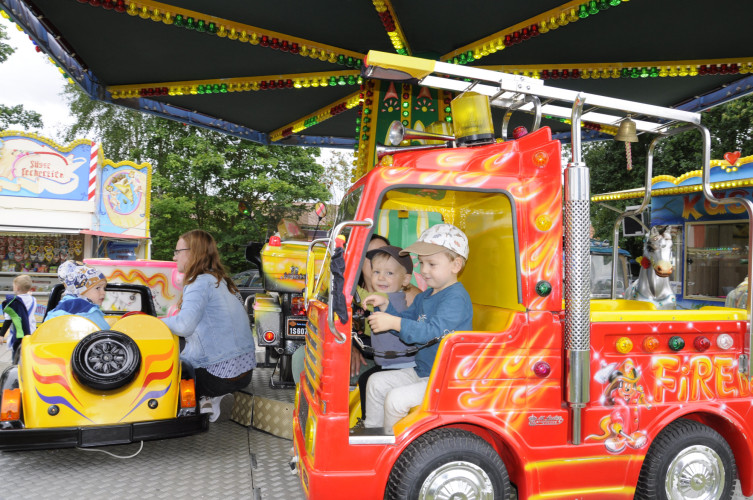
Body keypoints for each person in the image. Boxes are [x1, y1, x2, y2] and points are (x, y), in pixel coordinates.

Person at [363, 224, 472, 432]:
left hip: (444, 378)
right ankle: (372, 435)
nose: (423, 271)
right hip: (423, 370)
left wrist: (393, 322)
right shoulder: (425, 296)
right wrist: (386, 307)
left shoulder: (456, 298)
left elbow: (431, 332)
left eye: (431, 264)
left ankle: (393, 450)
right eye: (422, 263)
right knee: (376, 383)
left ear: (456, 265)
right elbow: (407, 321)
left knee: (396, 400)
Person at [162, 229, 256, 422]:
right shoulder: (221, 281)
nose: (174, 256)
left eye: (178, 251)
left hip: (218, 376)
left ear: (193, 252)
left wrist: (153, 321)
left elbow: (184, 326)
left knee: (166, 369)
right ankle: (210, 398)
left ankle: (191, 405)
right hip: (244, 372)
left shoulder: (199, 282)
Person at [355, 245, 416, 424]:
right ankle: (371, 421)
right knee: (367, 378)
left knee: (368, 380)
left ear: (405, 280)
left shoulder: (390, 298)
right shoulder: (387, 296)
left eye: (389, 273)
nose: (381, 277)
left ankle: (370, 423)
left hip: (401, 364)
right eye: (376, 272)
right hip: (391, 361)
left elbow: (378, 300)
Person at [45, 261, 109, 331]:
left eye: (104, 288)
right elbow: (108, 335)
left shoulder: (53, 314)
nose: (103, 292)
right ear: (80, 290)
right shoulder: (91, 312)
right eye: (98, 288)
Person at [1, 274, 38, 361]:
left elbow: (8, 320)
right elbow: (26, 299)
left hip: (18, 334)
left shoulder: (13, 302)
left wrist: (1, 334)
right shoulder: (33, 300)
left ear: (17, 288)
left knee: (16, 357)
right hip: (30, 333)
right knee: (27, 356)